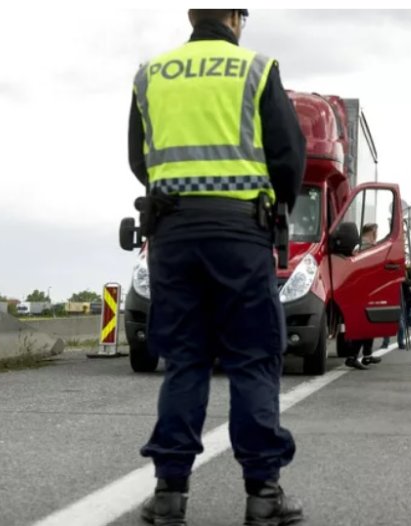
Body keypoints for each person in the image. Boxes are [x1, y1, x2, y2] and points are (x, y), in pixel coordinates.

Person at [128, 9, 306, 526]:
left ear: (192, 15)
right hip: (239, 231)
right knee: (252, 359)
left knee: (184, 360)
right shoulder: (256, 68)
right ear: (234, 17)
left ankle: (168, 495)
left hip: (174, 231)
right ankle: (264, 495)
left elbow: (140, 158)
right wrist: (274, 206)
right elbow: (288, 154)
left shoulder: (151, 74)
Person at [346, 224, 383, 369]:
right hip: (364, 291)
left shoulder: (361, 247)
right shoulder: (365, 248)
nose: (378, 235)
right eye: (376, 232)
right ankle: (352, 357)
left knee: (370, 322)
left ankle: (367, 355)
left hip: (365, 290)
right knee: (363, 323)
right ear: (373, 232)